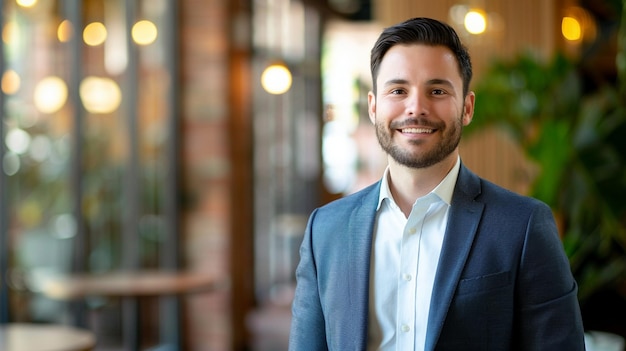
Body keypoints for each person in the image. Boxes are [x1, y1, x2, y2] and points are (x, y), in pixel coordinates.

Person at [288, 17, 586, 350]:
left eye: (437, 91)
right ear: (373, 107)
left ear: (467, 108)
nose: (416, 107)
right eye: (398, 90)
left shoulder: (524, 226)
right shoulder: (324, 230)